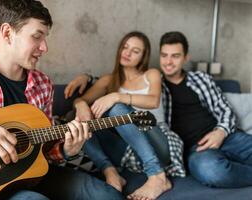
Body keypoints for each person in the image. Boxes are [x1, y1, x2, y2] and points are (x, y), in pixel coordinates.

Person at [0, 0, 123, 199]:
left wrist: (67, 149)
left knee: (105, 194)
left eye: (45, 38)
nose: (44, 47)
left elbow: (46, 152)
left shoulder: (43, 85)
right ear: (7, 33)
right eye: (36, 37)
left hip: (31, 176)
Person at [72, 31, 185, 200]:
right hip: (128, 151)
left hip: (158, 143)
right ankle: (110, 172)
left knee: (117, 108)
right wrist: (80, 104)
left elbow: (153, 101)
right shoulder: (108, 80)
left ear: (143, 56)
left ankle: (157, 176)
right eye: (125, 47)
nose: (127, 53)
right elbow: (82, 99)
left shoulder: (151, 74)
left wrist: (117, 96)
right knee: (78, 122)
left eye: (135, 51)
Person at [159, 31, 252, 188]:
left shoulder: (201, 79)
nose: (168, 62)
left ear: (185, 57)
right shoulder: (155, 86)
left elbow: (225, 110)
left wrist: (220, 132)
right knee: (212, 171)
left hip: (226, 137)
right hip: (197, 150)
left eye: (175, 56)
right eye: (164, 55)